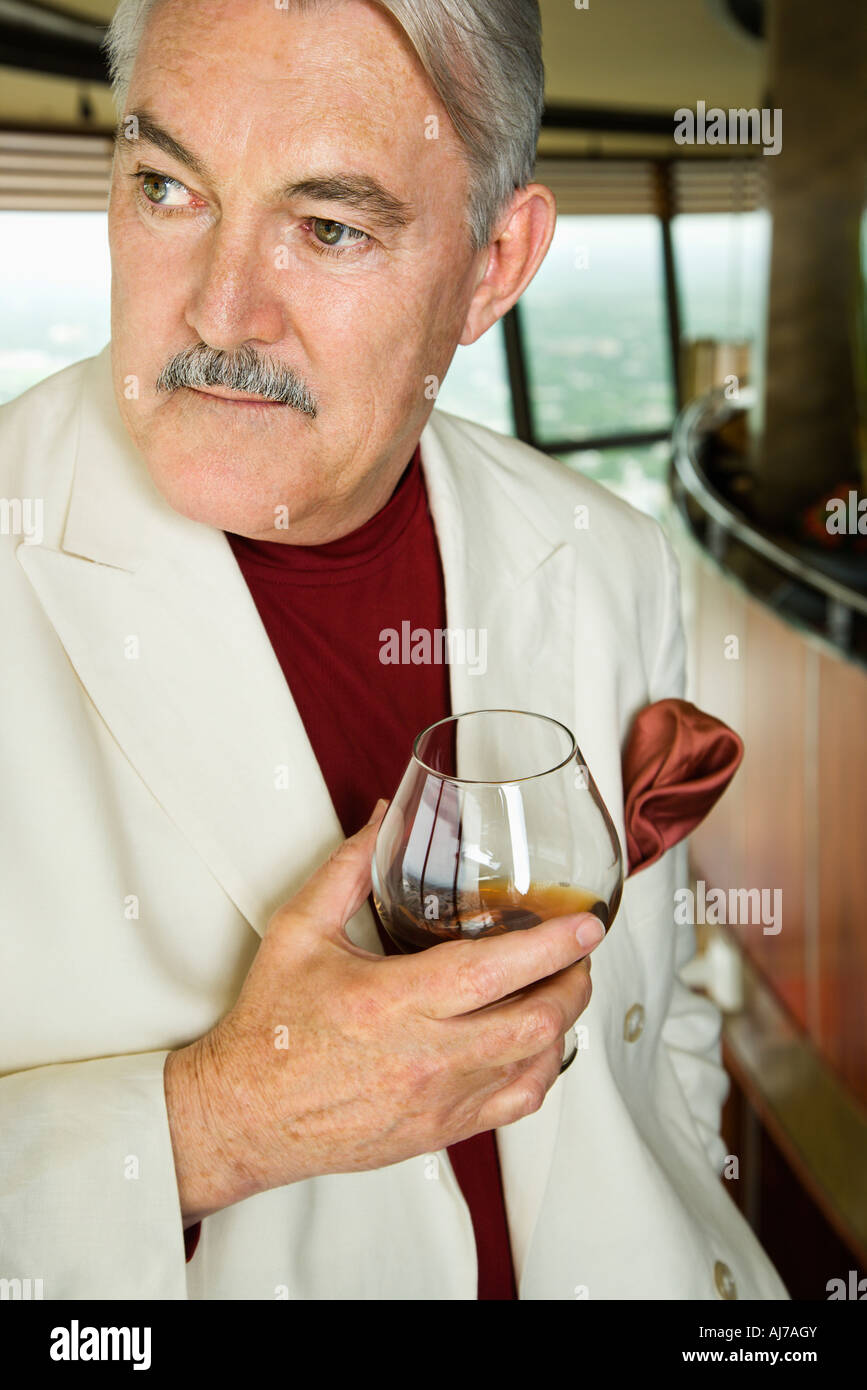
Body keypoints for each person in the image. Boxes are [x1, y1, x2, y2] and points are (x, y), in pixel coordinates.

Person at [0, 0, 787, 1300]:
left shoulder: (608, 554)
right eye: (166, 186)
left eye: (328, 227)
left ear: (494, 265)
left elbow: (663, 1017)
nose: (220, 313)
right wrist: (214, 1122)